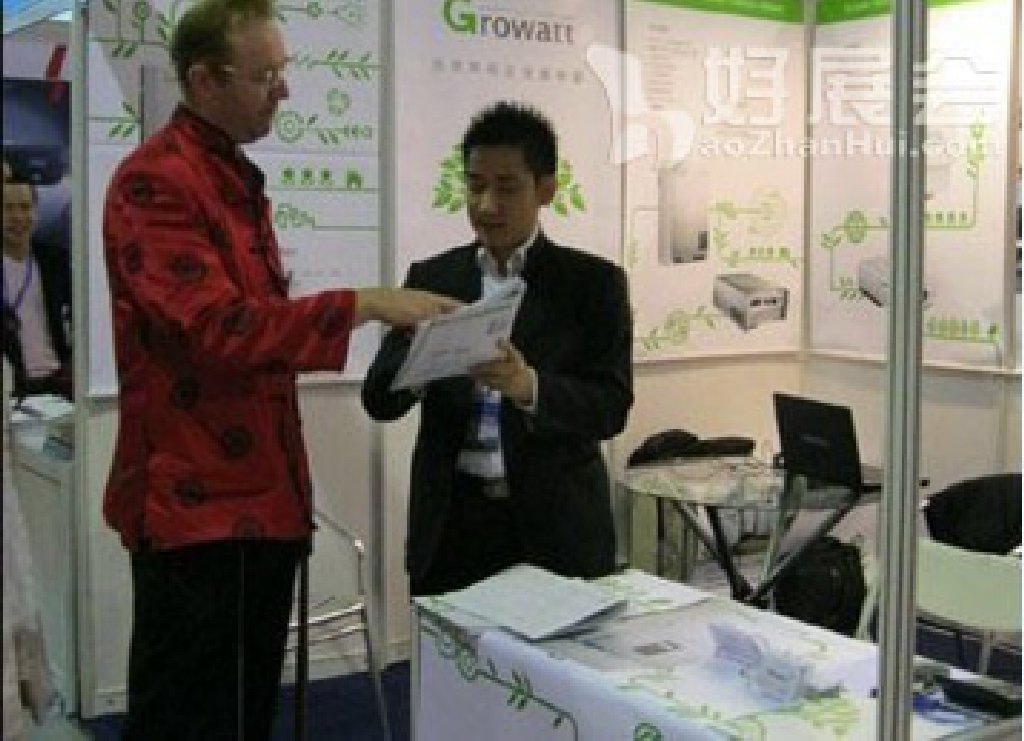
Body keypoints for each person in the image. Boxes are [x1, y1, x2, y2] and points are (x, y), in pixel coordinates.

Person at [100, 0, 459, 738]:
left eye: (283, 72)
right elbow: (214, 330)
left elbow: (248, 330)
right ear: (204, 79)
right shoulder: (156, 182)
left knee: (243, 714)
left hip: (258, 498)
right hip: (198, 508)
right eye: (265, 76)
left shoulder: (228, 175)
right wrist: (363, 303)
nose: (284, 91)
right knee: (191, 720)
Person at [362, 101, 634, 596]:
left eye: (506, 187)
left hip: (556, 530)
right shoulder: (434, 277)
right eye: (475, 186)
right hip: (453, 526)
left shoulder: (593, 285)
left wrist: (527, 386)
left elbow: (610, 408)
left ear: (546, 189)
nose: (486, 205)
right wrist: (423, 362)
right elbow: (379, 399)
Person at [2, 157, 72, 401]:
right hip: (13, 390)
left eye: (25, 207)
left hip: (59, 385)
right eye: (8, 208)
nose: (18, 217)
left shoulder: (56, 262)